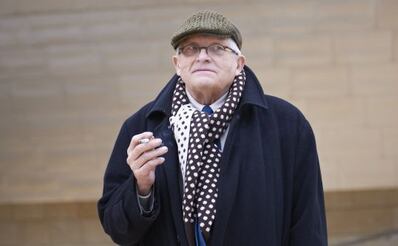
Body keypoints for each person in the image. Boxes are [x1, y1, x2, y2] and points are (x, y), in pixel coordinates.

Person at [97, 10, 327, 246]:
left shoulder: (287, 124)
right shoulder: (142, 126)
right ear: (177, 65)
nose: (203, 57)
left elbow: (308, 224)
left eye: (217, 48)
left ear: (239, 63)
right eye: (190, 49)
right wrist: (141, 189)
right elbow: (117, 230)